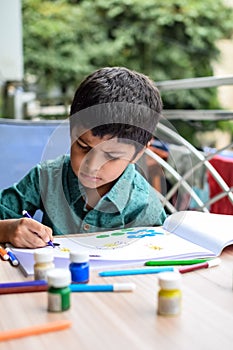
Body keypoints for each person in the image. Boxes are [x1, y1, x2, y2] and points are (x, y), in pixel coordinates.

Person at [0, 67, 167, 248]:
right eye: (83, 146)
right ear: (71, 130)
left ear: (140, 151)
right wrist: (8, 230)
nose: (92, 165)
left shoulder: (146, 208)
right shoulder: (46, 177)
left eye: (111, 156)